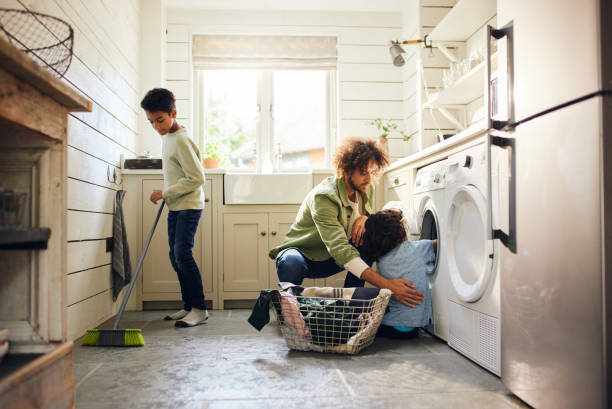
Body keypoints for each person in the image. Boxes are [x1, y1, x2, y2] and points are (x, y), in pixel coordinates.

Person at [269, 137, 425, 308]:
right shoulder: (324, 196)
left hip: (332, 259)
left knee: (369, 240)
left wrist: (366, 218)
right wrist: (387, 284)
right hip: (306, 257)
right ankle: (290, 308)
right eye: (363, 172)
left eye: (372, 172)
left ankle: (351, 307)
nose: (369, 179)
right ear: (346, 169)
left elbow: (367, 225)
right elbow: (339, 249)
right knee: (291, 262)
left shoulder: (366, 188)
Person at [140, 88, 208, 327]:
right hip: (177, 206)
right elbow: (179, 172)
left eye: (160, 120)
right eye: (151, 122)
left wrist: (165, 192)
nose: (156, 126)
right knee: (174, 255)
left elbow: (197, 178)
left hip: (189, 206)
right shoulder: (167, 137)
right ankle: (189, 306)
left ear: (173, 113)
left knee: (182, 254)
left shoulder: (181, 139)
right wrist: (169, 193)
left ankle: (199, 309)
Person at [361, 209, 438, 338]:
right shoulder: (417, 249)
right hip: (411, 328)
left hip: (392, 324)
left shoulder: (381, 259)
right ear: (400, 232)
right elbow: (439, 245)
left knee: (366, 315)